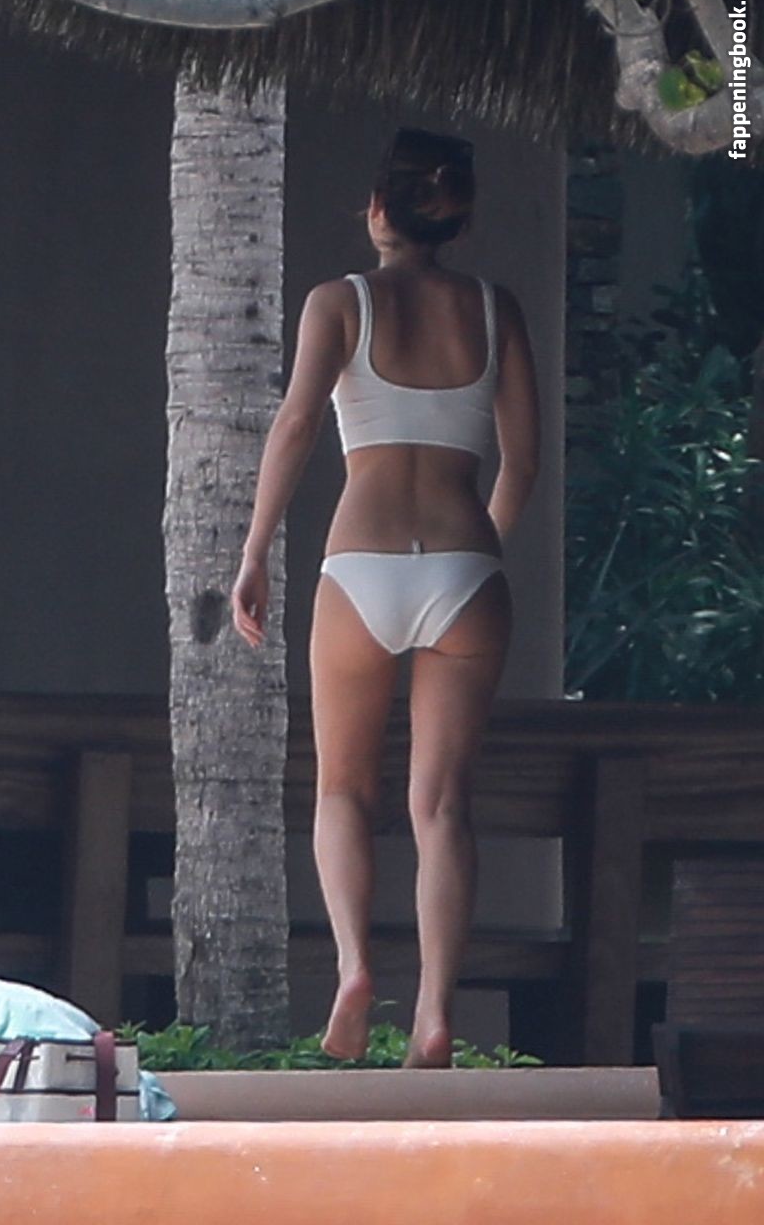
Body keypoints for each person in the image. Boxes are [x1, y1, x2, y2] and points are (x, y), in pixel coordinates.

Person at [230, 128, 539, 1069]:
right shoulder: (495, 309)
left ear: (376, 211)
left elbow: (294, 427)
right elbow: (523, 461)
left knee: (341, 788)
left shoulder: (340, 301)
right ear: (458, 216)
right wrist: (478, 556)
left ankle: (355, 969)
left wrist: (255, 553)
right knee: (440, 805)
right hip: (464, 565)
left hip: (360, 564)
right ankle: (437, 1015)